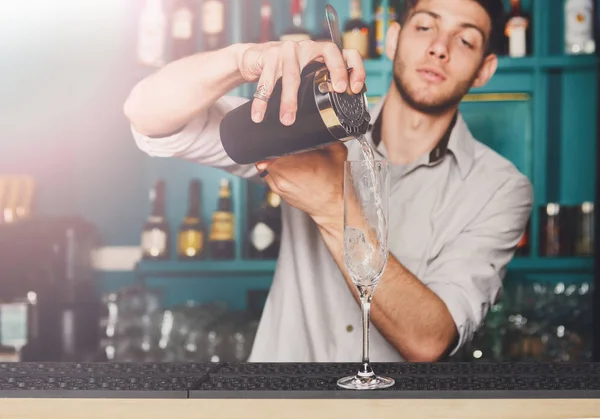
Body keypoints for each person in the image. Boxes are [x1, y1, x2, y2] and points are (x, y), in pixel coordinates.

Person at [124, 0, 533, 362]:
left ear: (485, 69)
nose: (439, 47)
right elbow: (147, 115)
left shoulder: (500, 188)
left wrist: (334, 206)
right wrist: (246, 59)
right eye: (425, 26)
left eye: (465, 41)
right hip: (277, 405)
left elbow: (430, 342)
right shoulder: (308, 130)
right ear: (392, 39)